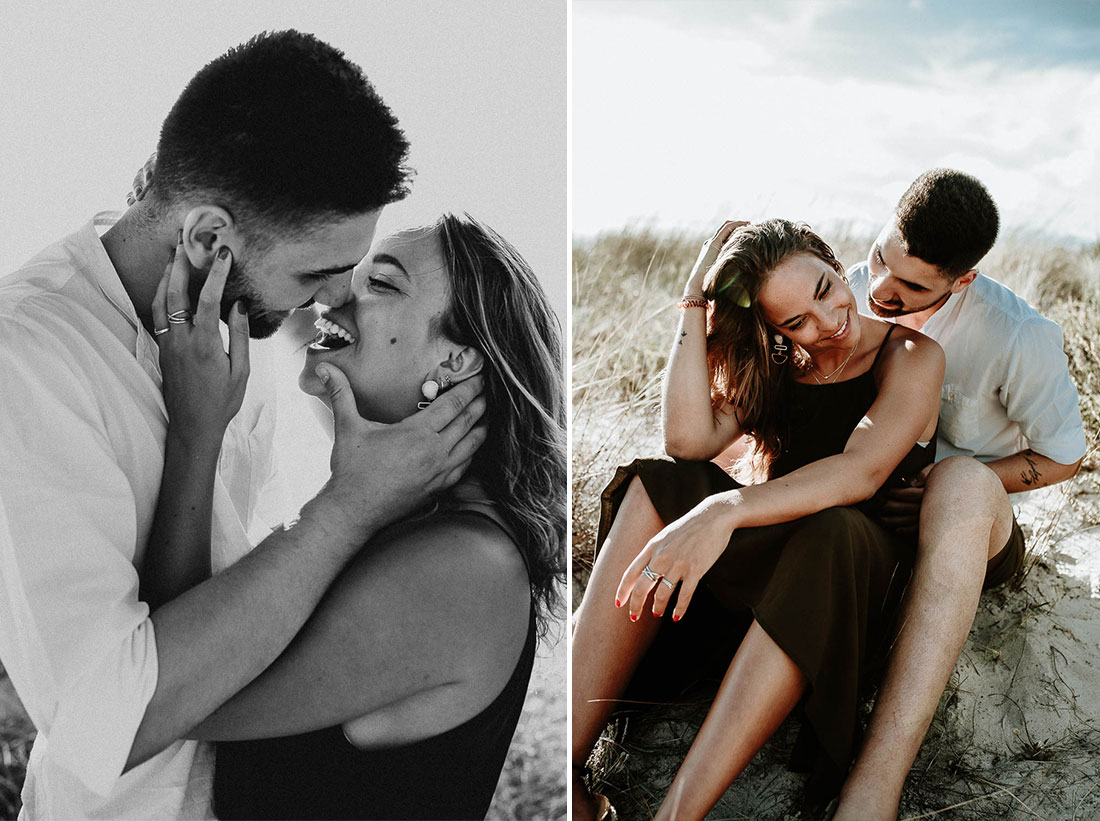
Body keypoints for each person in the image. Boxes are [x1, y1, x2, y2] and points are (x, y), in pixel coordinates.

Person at [0, 32, 486, 819]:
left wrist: (199, 438)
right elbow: (109, 717)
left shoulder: (233, 329)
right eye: (316, 274)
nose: (331, 302)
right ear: (207, 237)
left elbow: (204, 604)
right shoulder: (27, 361)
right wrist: (346, 510)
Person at [137, 211, 566, 819]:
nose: (333, 298)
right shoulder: (422, 528)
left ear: (457, 362)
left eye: (381, 284)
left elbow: (159, 697)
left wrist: (197, 432)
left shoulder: (465, 569)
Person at [572, 218, 947, 820]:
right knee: (659, 483)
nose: (826, 325)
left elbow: (861, 475)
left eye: (826, 290)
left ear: (833, 261)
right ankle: (565, 770)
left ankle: (677, 815)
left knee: (831, 529)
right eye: (794, 321)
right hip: (774, 584)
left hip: (851, 585)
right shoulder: (780, 368)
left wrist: (725, 509)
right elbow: (688, 440)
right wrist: (695, 302)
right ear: (772, 327)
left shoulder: (911, 356)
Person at [833, 169, 1087, 820]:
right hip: (860, 512)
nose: (883, 289)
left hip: (973, 528)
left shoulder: (1018, 335)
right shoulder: (846, 293)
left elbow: (1065, 456)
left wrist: (936, 484)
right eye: (880, 259)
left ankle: (873, 791)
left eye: (914, 286)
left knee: (961, 482)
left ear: (961, 280)